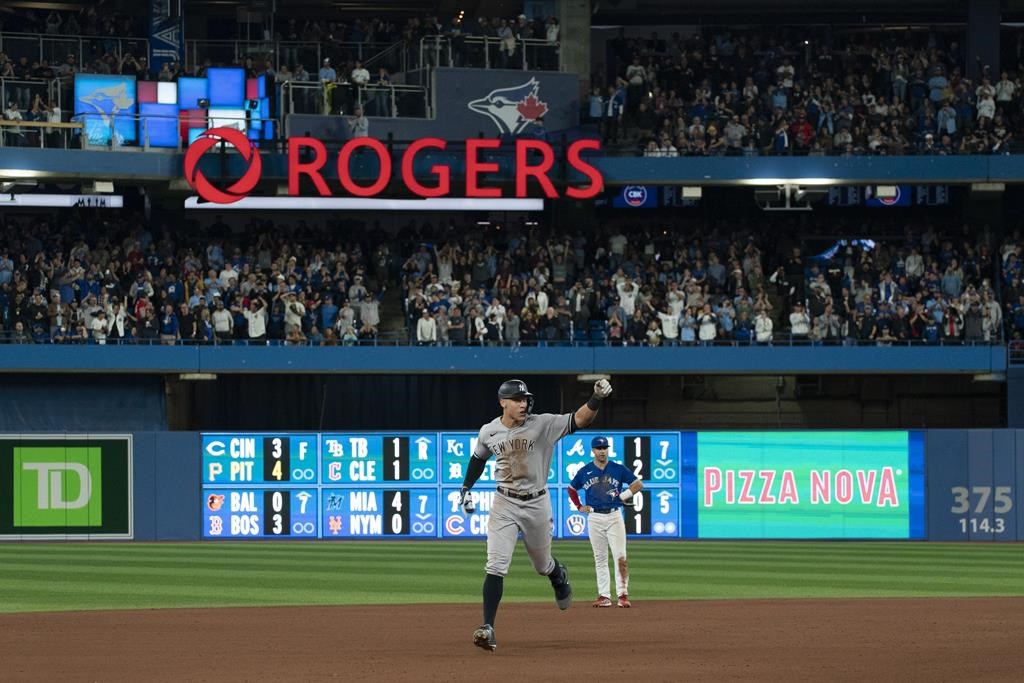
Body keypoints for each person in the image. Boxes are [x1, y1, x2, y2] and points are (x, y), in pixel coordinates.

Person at [461, 377, 613, 652]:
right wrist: (465, 488)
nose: (523, 403)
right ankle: (488, 627)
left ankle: (557, 574)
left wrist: (596, 398)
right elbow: (478, 458)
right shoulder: (489, 431)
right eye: (517, 399)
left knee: (542, 565)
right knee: (495, 564)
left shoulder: (543, 424)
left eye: (525, 399)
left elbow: (580, 419)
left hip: (536, 504)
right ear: (503, 402)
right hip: (504, 502)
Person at [568, 436, 643, 607]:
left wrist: (623, 496)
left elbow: (638, 484)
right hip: (594, 517)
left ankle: (623, 595)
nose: (602, 451)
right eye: (599, 448)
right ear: (593, 451)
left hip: (614, 516)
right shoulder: (585, 471)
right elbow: (572, 488)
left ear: (607, 449)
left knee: (620, 556)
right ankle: (604, 596)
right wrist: (579, 506)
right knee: (600, 558)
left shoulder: (617, 468)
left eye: (604, 448)